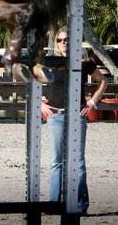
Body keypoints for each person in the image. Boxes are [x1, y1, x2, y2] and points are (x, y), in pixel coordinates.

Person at [41, 26, 107, 215]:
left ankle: (80, 205)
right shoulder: (50, 62)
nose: (64, 43)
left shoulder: (83, 63)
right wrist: (41, 104)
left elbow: (103, 81)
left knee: (77, 161)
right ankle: (54, 203)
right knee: (56, 161)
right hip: (55, 116)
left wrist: (93, 101)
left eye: (67, 40)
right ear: (56, 43)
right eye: (60, 40)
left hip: (77, 115)